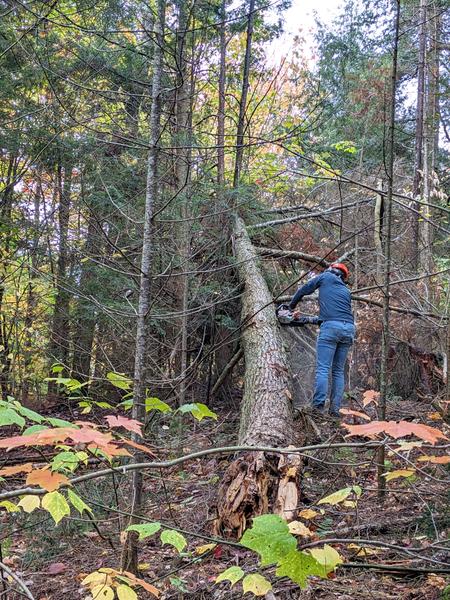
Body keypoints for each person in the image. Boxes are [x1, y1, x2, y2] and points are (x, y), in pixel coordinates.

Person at [288, 263, 355, 417]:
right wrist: (304, 319)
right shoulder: (346, 291)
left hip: (331, 327)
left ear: (331, 270)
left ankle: (317, 408)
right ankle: (335, 411)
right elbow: (331, 318)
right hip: (349, 328)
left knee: (323, 369)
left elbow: (303, 290)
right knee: (338, 371)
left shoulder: (325, 277)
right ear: (343, 276)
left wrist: (290, 308)